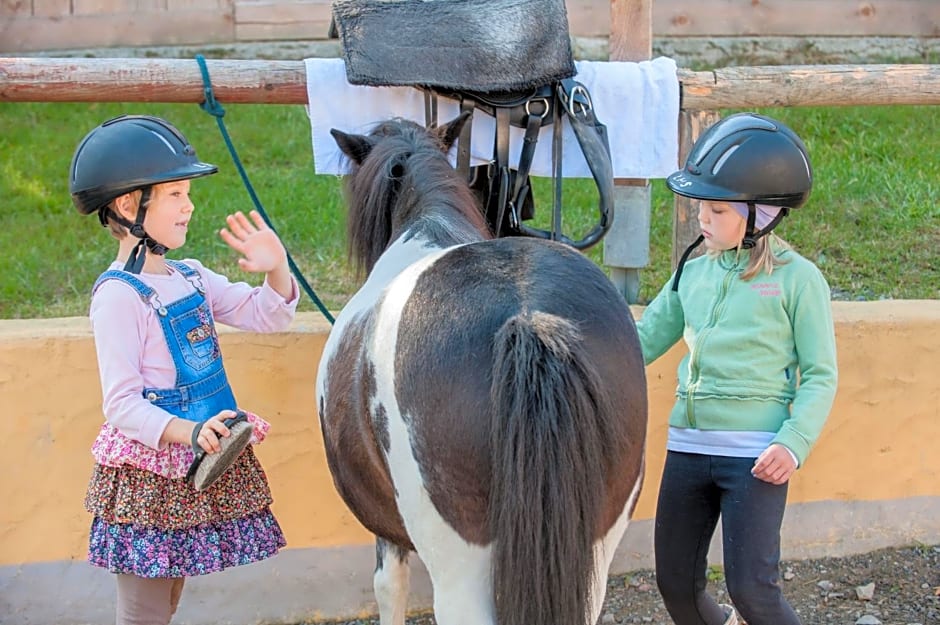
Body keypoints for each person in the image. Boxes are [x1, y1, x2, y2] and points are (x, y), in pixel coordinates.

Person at [70, 115, 299, 625]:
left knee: (168, 601)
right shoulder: (118, 296)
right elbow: (122, 405)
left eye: (187, 193)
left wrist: (276, 265)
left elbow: (268, 313)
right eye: (174, 193)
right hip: (152, 470)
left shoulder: (192, 276)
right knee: (144, 611)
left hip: (193, 460)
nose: (189, 204)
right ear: (129, 205)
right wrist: (189, 430)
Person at [637, 113, 838, 625]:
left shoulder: (798, 280)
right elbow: (640, 342)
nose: (702, 219)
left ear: (761, 215)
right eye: (701, 207)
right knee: (676, 585)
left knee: (753, 592)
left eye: (718, 209)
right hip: (687, 447)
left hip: (757, 457)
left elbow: (820, 374)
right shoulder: (693, 271)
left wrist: (793, 442)